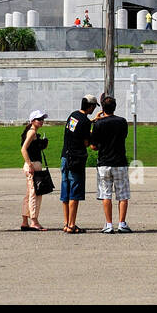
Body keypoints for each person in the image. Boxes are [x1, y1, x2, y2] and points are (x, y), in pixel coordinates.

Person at [91, 94, 131, 233]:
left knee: (106, 194)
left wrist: (97, 119)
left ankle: (108, 224)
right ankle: (122, 223)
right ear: (115, 107)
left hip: (104, 162)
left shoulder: (98, 124)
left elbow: (93, 146)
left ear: (102, 108)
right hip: (119, 161)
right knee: (123, 194)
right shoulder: (122, 122)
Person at [61, 94, 98, 233]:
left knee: (66, 191)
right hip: (76, 159)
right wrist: (92, 130)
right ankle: (72, 224)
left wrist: (92, 121)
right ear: (91, 106)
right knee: (75, 192)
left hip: (65, 156)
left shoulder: (73, 116)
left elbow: (76, 130)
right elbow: (86, 143)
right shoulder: (86, 122)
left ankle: (66, 223)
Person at [20, 109, 49, 231]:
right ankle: (34, 221)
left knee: (30, 194)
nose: (41, 121)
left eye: (42, 119)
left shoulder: (32, 132)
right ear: (32, 121)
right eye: (39, 119)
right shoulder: (32, 132)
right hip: (32, 165)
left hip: (33, 165)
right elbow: (23, 149)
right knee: (35, 194)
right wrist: (29, 164)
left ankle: (25, 221)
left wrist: (41, 144)